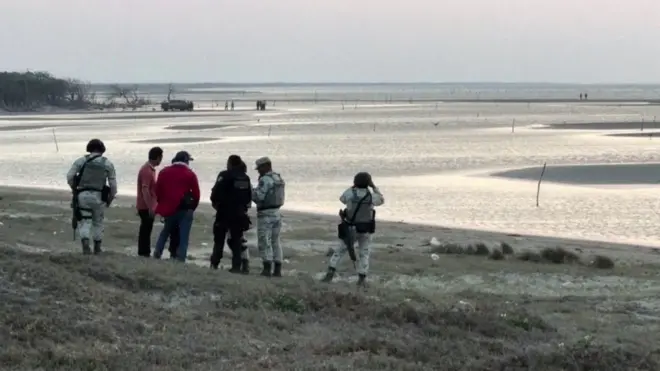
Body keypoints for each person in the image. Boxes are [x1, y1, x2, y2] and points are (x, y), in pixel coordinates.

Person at [322, 172, 384, 286]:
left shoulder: (350, 193)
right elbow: (381, 200)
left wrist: (353, 187)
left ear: (355, 182)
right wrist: (374, 186)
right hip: (366, 229)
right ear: (368, 183)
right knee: (364, 253)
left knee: (339, 251)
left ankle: (330, 274)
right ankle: (362, 278)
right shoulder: (371, 196)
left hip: (350, 227)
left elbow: (342, 198)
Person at [66, 139, 118, 255]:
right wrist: (109, 199)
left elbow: (69, 176)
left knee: (85, 221)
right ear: (102, 150)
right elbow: (113, 186)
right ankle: (97, 247)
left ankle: (85, 244)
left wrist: (74, 189)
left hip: (83, 195)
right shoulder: (107, 163)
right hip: (99, 196)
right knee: (98, 222)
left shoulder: (81, 160)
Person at [153, 151, 200, 262]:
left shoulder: (164, 172)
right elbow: (196, 194)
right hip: (184, 209)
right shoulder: (190, 174)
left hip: (169, 208)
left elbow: (157, 191)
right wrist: (192, 208)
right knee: (184, 236)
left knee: (165, 232)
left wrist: (162, 204)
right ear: (185, 161)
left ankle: (157, 253)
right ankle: (181, 258)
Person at [209, 155, 252, 273]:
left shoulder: (225, 175)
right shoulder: (245, 178)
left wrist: (216, 204)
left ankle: (215, 264)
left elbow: (215, 193)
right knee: (237, 240)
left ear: (230, 163)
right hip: (239, 213)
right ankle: (236, 266)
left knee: (219, 240)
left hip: (224, 212)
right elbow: (249, 196)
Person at [252, 156, 285, 277]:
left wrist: (251, 191)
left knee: (264, 241)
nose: (258, 171)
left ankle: (266, 268)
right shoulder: (277, 177)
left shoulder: (265, 180)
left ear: (266, 166)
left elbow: (259, 197)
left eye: (259, 168)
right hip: (277, 212)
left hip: (265, 214)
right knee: (276, 242)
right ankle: (277, 269)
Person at [136, 146, 163, 257]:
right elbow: (145, 189)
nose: (161, 160)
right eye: (160, 157)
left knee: (147, 228)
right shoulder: (146, 170)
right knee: (145, 229)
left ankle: (144, 251)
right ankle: (144, 252)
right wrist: (150, 207)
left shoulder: (149, 169)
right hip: (145, 206)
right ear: (157, 157)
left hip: (147, 205)